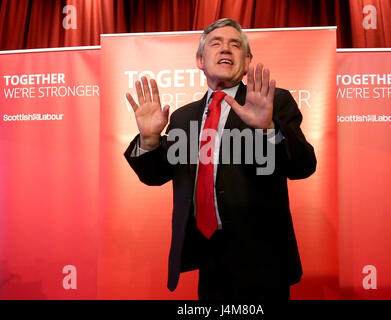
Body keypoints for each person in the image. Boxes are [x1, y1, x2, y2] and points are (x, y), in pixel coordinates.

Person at [124, 18, 316, 300]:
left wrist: (269, 130)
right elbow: (155, 176)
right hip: (208, 256)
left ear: (247, 60)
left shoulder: (273, 101)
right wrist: (150, 140)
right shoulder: (182, 117)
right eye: (216, 43)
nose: (226, 49)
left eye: (235, 45)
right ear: (200, 60)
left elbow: (303, 167)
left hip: (262, 261)